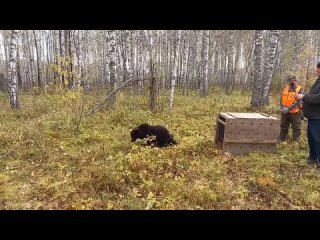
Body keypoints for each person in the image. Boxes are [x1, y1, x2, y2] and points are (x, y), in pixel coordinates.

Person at [296, 63, 320, 165]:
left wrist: (303, 97)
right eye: (317, 69)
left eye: (319, 70)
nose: (317, 71)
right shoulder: (318, 81)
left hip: (318, 116)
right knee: (311, 137)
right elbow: (312, 95)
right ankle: (313, 157)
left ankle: (318, 160)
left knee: (317, 138)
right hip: (312, 115)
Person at [279, 75, 304, 142]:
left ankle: (295, 142)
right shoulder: (286, 88)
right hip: (284, 112)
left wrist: (288, 108)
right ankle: (282, 140)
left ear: (296, 81)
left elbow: (299, 102)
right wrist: (282, 107)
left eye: (294, 80)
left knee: (296, 128)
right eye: (291, 81)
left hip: (295, 112)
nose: (292, 82)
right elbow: (281, 98)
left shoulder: (300, 89)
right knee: (283, 126)